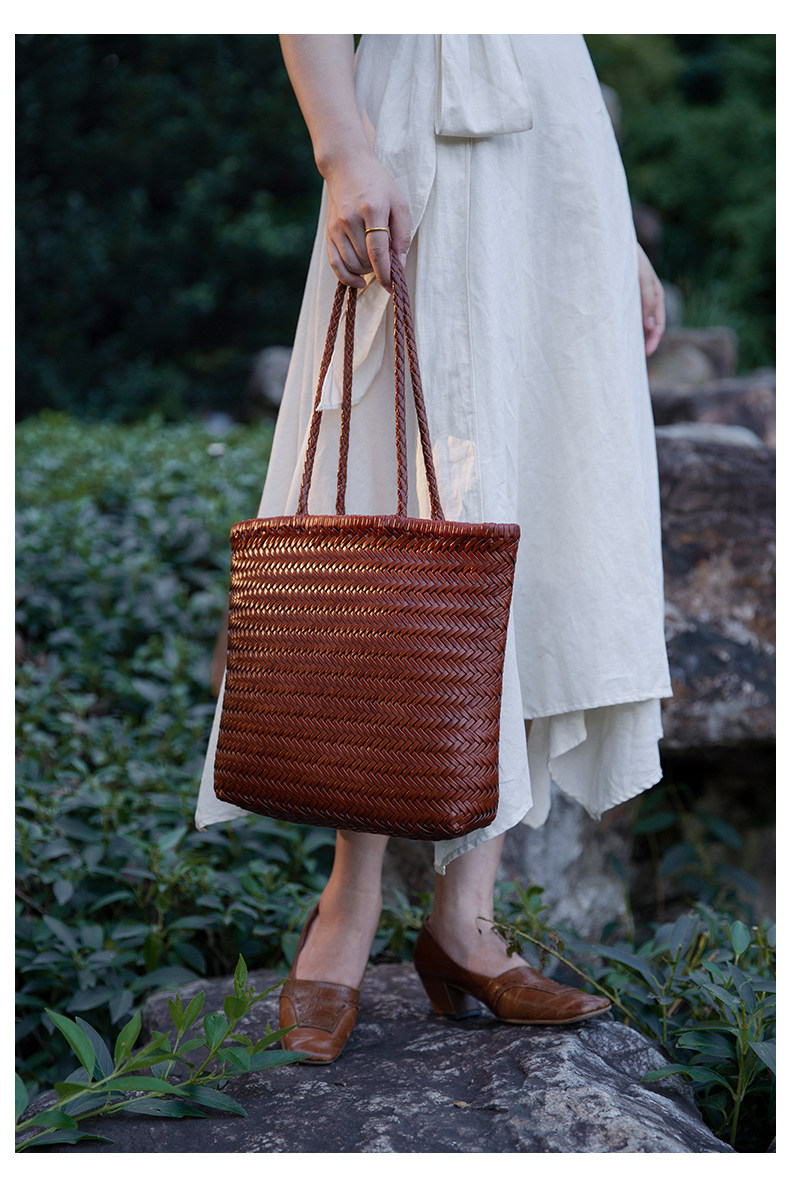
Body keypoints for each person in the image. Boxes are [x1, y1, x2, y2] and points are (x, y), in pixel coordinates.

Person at [195, 34, 673, 1063]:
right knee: (394, 495)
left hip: (558, 155)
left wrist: (616, 229)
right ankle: (348, 900)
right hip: (412, 127)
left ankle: (466, 919)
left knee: (535, 508)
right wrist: (343, 152)